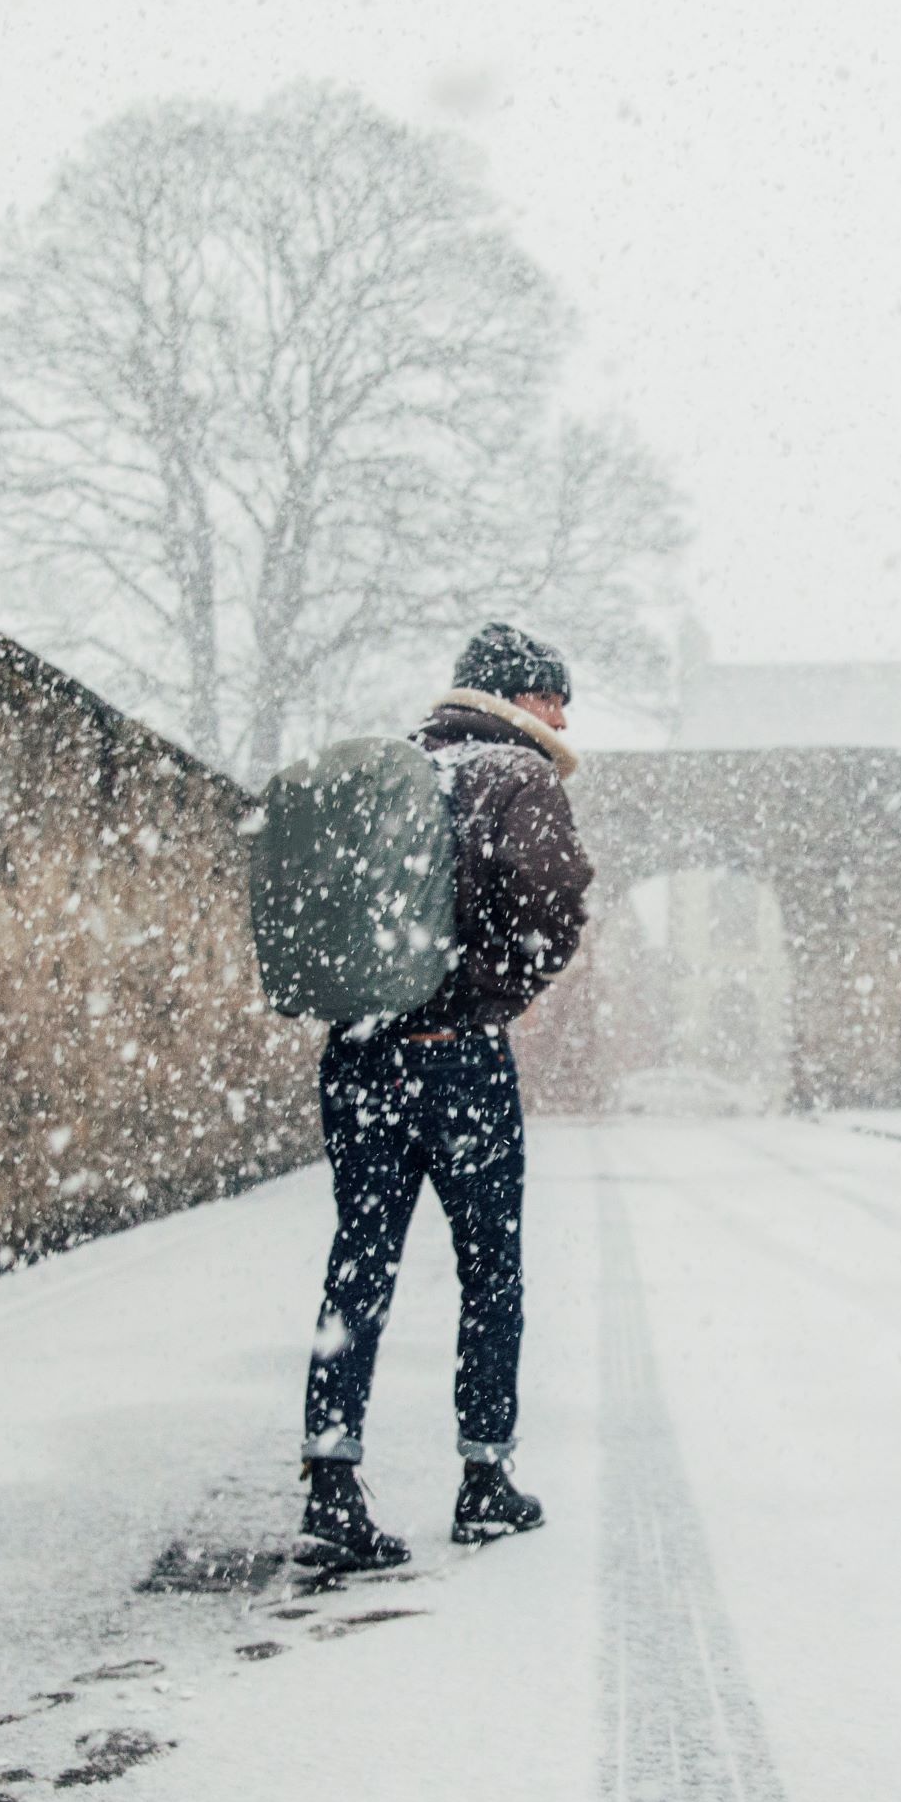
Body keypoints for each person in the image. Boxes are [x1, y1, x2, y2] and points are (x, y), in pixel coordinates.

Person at [295, 622, 595, 1571]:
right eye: (558, 697)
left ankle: (332, 1481)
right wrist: (491, 991)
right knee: (490, 1272)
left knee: (361, 1266)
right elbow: (553, 903)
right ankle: (484, 1479)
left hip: (358, 1056)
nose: (564, 716)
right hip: (458, 1061)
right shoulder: (518, 777)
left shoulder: (399, 770)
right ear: (525, 698)